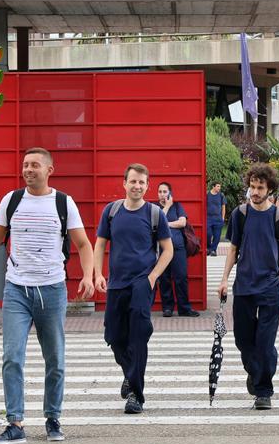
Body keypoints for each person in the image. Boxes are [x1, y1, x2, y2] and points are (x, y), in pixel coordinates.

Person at [0, 147, 95, 444]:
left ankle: (53, 417)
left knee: (55, 360)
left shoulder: (63, 203)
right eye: (25, 165)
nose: (28, 170)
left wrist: (89, 276)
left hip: (52, 290)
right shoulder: (11, 201)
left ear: (49, 170)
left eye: (35, 165)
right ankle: (15, 423)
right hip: (17, 290)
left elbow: (83, 244)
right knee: (11, 357)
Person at [94, 163, 173, 415]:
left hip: (142, 282)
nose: (137, 186)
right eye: (133, 181)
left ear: (147, 185)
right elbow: (99, 244)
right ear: (124, 183)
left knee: (139, 335)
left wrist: (152, 277)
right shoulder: (112, 211)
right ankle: (130, 373)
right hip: (117, 282)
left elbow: (168, 250)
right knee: (114, 336)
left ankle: (136, 395)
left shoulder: (154, 214)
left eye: (142, 182)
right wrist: (97, 274)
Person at [218, 163, 279, 410]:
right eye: (252, 186)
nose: (255, 191)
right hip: (243, 287)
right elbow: (232, 249)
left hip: (270, 288)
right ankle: (255, 371)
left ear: (269, 189)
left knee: (264, 342)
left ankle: (264, 390)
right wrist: (224, 280)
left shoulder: (278, 216)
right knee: (243, 340)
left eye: (260, 187)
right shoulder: (240, 214)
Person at [155, 182, 199, 318]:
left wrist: (166, 224)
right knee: (164, 278)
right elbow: (157, 223)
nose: (162, 194)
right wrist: (166, 207)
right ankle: (167, 308)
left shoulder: (178, 206)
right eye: (160, 191)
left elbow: (182, 222)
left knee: (181, 278)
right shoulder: (154, 208)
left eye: (165, 191)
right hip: (162, 250)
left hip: (178, 248)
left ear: (170, 193)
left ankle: (184, 308)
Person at [206, 182, 226, 257]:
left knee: (217, 236)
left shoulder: (221, 195)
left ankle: (213, 250)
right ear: (213, 187)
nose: (219, 188)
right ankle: (208, 248)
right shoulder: (207, 195)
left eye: (219, 186)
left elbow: (223, 207)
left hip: (218, 218)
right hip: (208, 218)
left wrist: (223, 217)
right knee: (208, 234)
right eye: (218, 186)